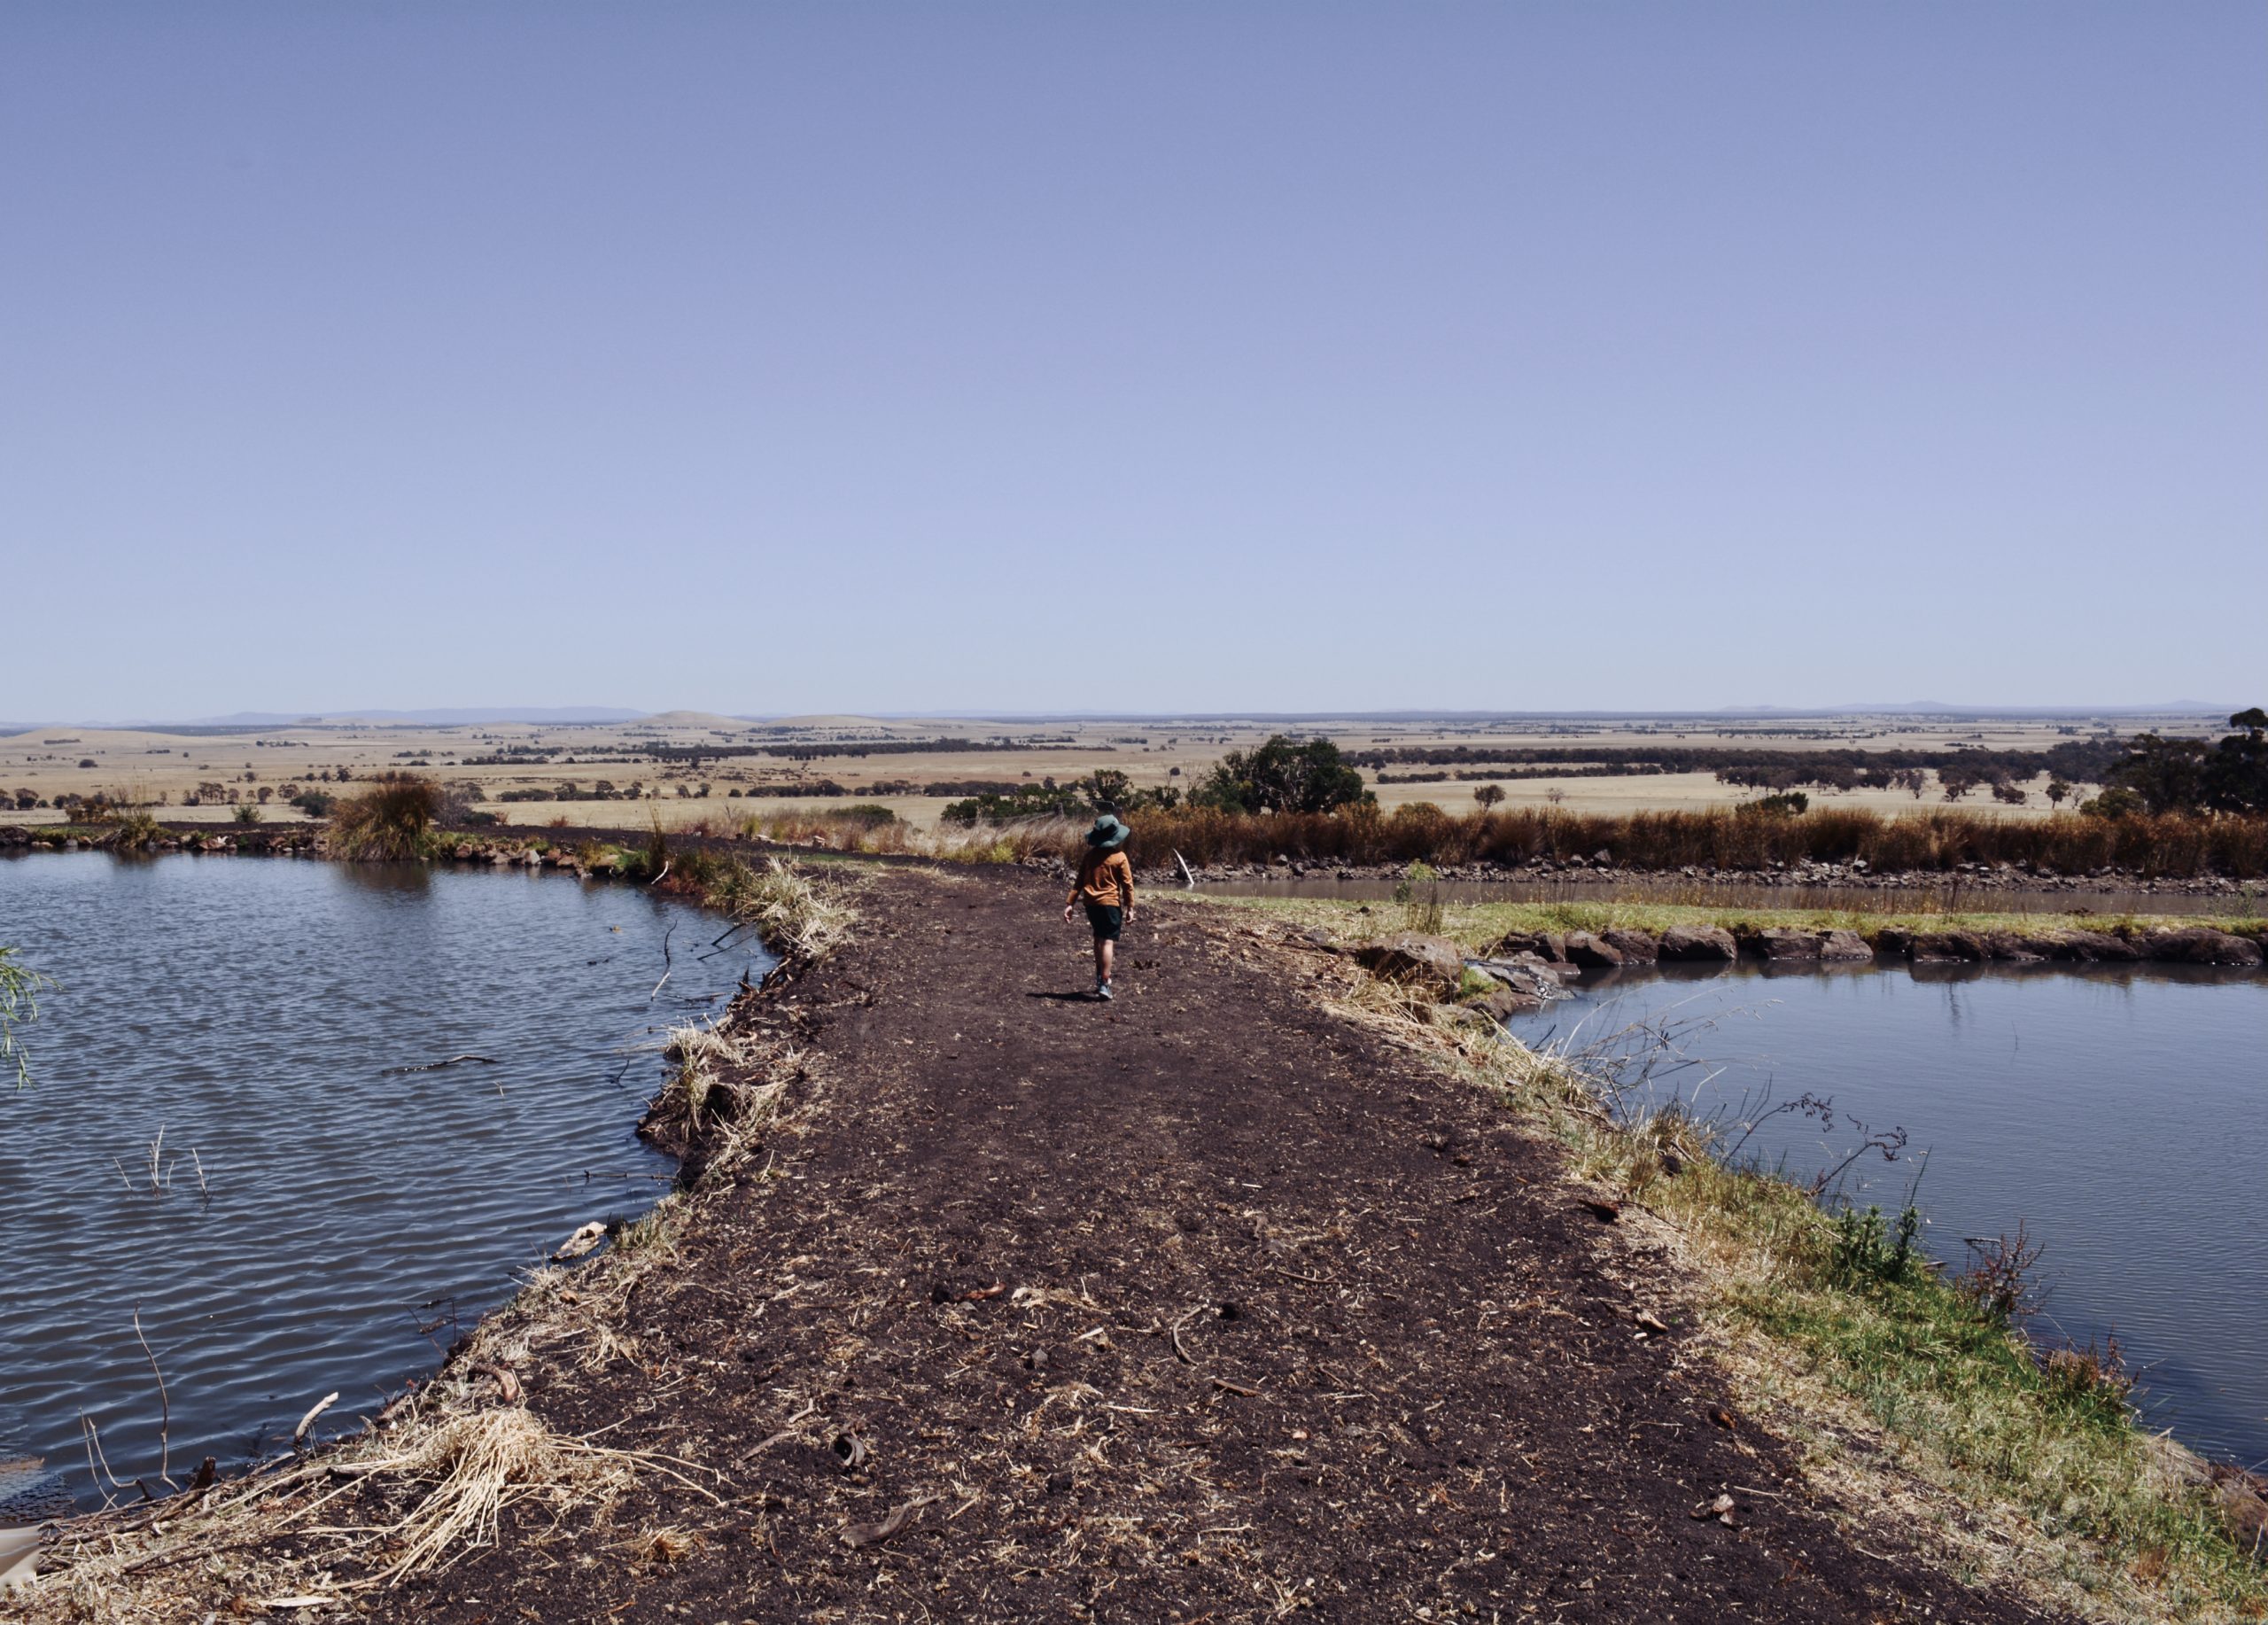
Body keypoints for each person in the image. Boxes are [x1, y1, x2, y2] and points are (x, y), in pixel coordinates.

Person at [1064, 812, 1136, 999]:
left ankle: (1099, 978)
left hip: (1091, 905)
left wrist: (1069, 903)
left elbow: (1078, 881)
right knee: (1107, 942)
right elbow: (1127, 885)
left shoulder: (1089, 857)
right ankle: (1105, 983)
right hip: (1110, 905)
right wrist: (1130, 907)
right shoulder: (1120, 857)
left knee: (1097, 938)